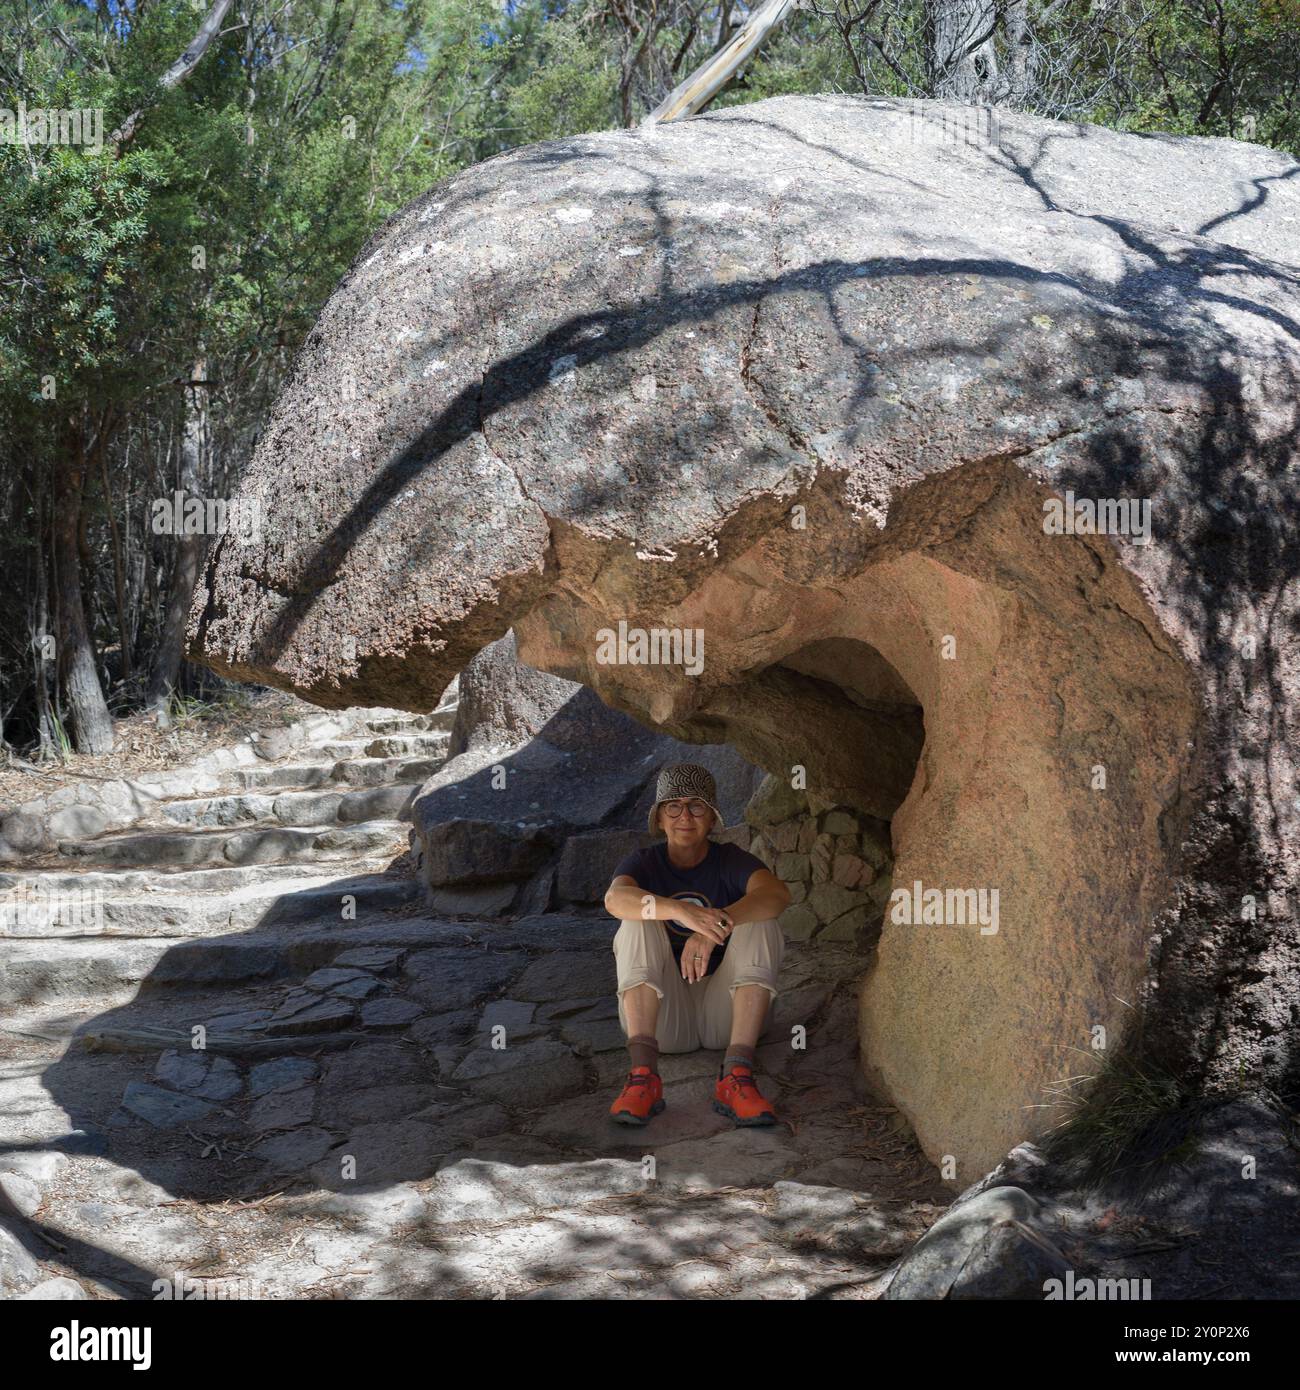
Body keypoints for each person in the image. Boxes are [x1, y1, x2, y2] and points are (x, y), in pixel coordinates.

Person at [603, 763, 791, 1127]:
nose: (684, 816)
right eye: (673, 806)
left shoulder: (729, 860)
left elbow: (777, 894)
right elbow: (615, 899)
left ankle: (737, 1076)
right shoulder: (645, 862)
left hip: (725, 1016)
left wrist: (713, 927)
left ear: (712, 819)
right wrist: (681, 911)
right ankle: (643, 1077)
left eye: (696, 806)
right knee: (636, 919)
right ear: (659, 819)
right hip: (666, 1023)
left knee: (760, 921)